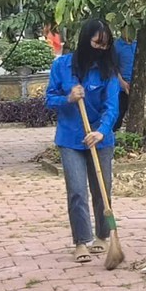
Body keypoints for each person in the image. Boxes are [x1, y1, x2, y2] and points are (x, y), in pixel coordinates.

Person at [45, 19, 123, 262]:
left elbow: (112, 106)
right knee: (77, 190)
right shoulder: (63, 66)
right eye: (96, 43)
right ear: (84, 41)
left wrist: (101, 131)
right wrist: (68, 97)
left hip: (100, 139)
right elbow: (49, 99)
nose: (100, 49)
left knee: (102, 190)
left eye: (105, 45)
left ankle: (102, 235)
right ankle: (81, 241)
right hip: (70, 138)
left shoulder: (108, 70)